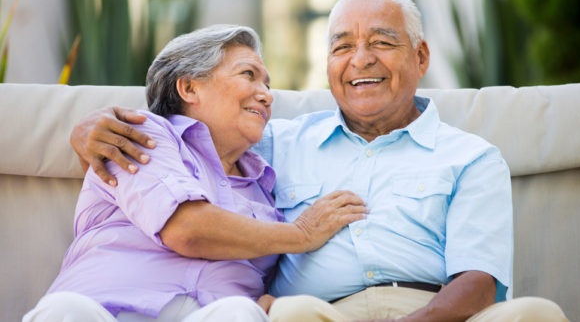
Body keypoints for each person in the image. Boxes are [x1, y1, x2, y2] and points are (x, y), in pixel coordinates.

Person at [69, 0, 569, 321]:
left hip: (435, 313)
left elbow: (478, 283)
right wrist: (90, 126)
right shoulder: (272, 143)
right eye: (341, 46)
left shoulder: (472, 157)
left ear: (420, 57)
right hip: (316, 313)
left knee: (537, 315)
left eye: (381, 42)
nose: (361, 59)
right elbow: (199, 138)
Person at [24, 24, 368, 322]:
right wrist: (301, 234)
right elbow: (187, 229)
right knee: (66, 311)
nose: (266, 95)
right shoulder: (141, 133)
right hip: (109, 308)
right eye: (248, 75)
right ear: (189, 88)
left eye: (267, 84)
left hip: (214, 313)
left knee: (240, 313)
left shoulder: (268, 183)